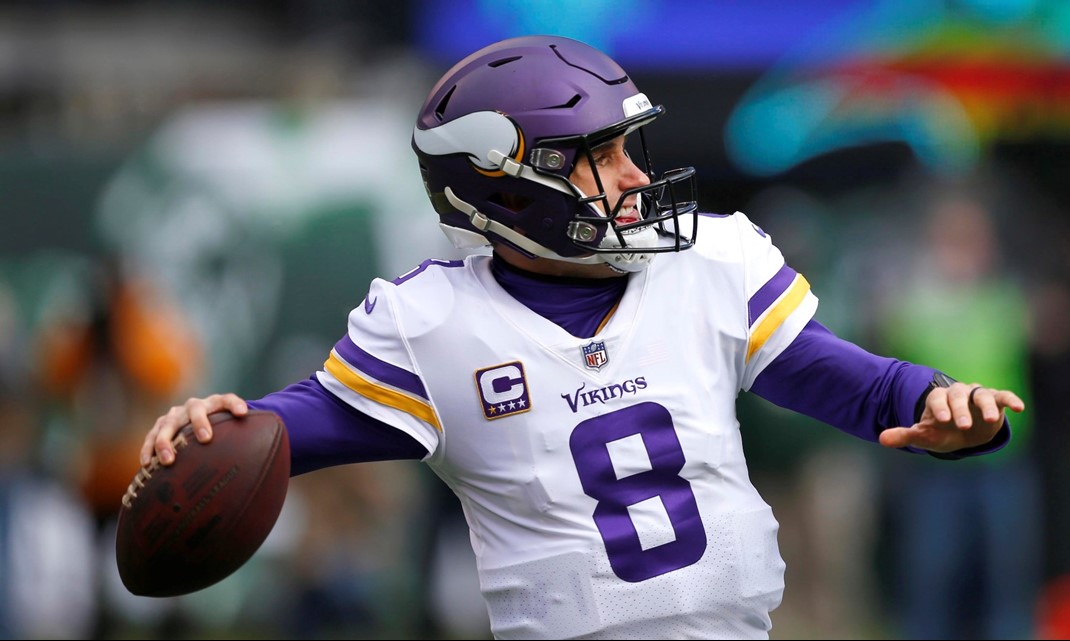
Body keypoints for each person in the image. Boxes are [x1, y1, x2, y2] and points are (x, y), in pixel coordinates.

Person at [137, 35, 1024, 640]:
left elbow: (852, 381)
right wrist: (222, 422)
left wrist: (935, 399)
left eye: (630, 146)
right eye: (600, 155)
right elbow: (282, 433)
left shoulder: (711, 262)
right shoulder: (432, 326)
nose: (636, 175)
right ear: (507, 186)